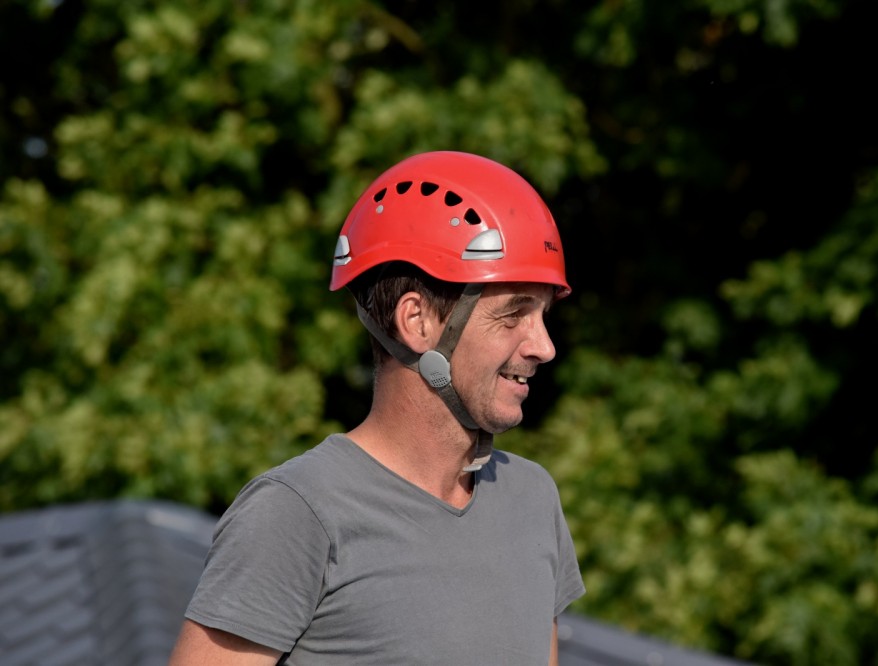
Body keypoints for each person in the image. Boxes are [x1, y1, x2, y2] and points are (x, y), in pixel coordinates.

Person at [169, 151, 586, 665]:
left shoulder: (531, 499)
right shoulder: (297, 513)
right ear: (416, 323)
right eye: (513, 315)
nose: (544, 347)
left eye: (543, 315)